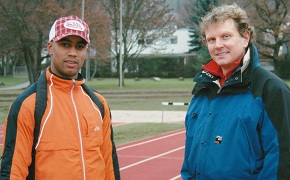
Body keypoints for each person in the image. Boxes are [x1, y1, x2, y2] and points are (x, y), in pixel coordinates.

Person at [0, 15, 120, 179]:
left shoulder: (98, 103)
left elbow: (110, 165)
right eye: (65, 44)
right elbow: (13, 171)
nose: (72, 53)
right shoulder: (28, 104)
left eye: (79, 46)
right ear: (50, 47)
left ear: (86, 50)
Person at [180, 3, 290, 179]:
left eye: (225, 36)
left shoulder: (270, 89)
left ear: (245, 37)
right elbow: (191, 157)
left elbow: (282, 158)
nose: (218, 45)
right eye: (211, 39)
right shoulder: (202, 90)